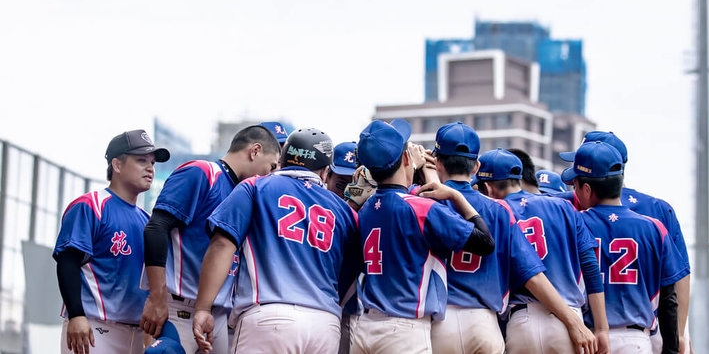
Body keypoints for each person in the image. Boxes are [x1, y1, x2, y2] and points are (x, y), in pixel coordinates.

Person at [427, 124, 598, 354]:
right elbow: (531, 275)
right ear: (475, 165)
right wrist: (573, 321)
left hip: (440, 321)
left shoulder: (424, 204)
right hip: (483, 323)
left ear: (437, 162)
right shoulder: (499, 210)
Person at [192, 128, 361, 353]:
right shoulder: (345, 211)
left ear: (282, 160)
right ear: (325, 172)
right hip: (324, 322)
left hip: (269, 316)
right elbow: (353, 269)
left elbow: (222, 244)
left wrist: (203, 308)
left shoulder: (255, 186)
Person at [348, 119, 496, 354]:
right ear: (406, 159)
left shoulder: (366, 208)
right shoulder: (421, 208)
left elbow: (395, 197)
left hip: (366, 328)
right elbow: (485, 242)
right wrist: (456, 197)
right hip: (404, 331)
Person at [140, 125, 281, 353]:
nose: (270, 173)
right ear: (255, 151)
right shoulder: (202, 172)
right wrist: (156, 297)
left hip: (217, 315)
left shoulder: (245, 194)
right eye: (271, 165)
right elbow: (156, 227)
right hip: (179, 307)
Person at [558, 130, 693, 353]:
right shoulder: (656, 213)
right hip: (642, 333)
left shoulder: (571, 215)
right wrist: (681, 335)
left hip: (590, 334)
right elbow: (678, 281)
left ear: (587, 185)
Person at [477, 148, 608, 354]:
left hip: (521, 320)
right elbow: (591, 269)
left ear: (488, 187)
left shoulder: (494, 213)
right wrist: (601, 329)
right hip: (567, 321)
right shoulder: (564, 207)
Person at [54, 129, 170, 354]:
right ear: (117, 165)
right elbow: (68, 262)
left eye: (153, 163)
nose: (150, 168)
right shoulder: (91, 205)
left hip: (136, 333)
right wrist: (76, 315)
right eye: (141, 160)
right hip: (93, 328)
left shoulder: (148, 221)